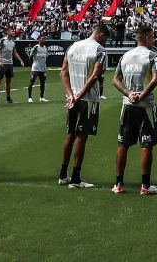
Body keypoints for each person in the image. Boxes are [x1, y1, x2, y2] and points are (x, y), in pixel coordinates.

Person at [112, 24, 157, 195]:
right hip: (145, 105)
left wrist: (129, 93)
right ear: (147, 37)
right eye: (153, 37)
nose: (154, 39)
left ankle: (118, 184)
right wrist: (140, 96)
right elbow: (155, 79)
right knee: (147, 145)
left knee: (123, 144)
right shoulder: (152, 55)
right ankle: (145, 186)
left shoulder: (125, 56)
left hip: (127, 105)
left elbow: (115, 80)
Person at [59, 24, 107, 189]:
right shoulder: (99, 50)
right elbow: (95, 76)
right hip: (87, 99)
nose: (105, 42)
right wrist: (79, 96)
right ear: (100, 35)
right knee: (81, 136)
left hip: (71, 98)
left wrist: (71, 95)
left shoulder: (73, 46)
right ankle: (76, 179)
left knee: (70, 135)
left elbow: (63, 72)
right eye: (105, 38)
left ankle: (63, 175)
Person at [0, 28, 23, 105]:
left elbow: (14, 52)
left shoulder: (12, 42)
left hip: (10, 64)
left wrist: (21, 60)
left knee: (8, 81)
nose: (13, 32)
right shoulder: (2, 41)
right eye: (12, 31)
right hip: (2, 63)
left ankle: (8, 97)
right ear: (8, 32)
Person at [27, 36, 49, 103]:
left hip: (43, 69)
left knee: (43, 83)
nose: (44, 40)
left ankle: (41, 97)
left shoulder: (45, 48)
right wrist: (32, 65)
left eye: (44, 39)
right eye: (42, 39)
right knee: (31, 81)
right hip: (35, 68)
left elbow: (46, 57)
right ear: (39, 40)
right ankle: (30, 97)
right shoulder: (36, 47)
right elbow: (30, 57)